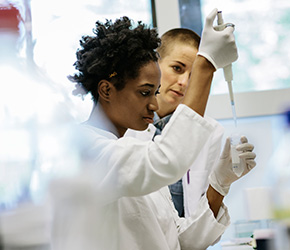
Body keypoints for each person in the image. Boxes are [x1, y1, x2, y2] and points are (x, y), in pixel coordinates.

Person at [57, 8, 245, 250]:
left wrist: (220, 183)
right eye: (145, 92)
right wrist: (206, 64)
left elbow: (178, 241)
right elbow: (165, 160)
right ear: (106, 90)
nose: (154, 104)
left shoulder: (132, 148)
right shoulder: (84, 151)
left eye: (155, 92)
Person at [127, 28, 257, 218]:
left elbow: (200, 229)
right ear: (154, 64)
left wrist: (221, 182)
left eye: (193, 75)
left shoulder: (209, 132)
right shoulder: (127, 129)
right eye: (177, 68)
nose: (184, 82)